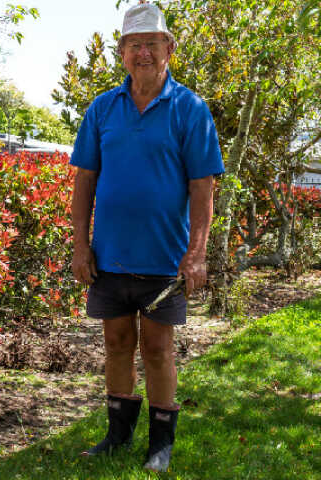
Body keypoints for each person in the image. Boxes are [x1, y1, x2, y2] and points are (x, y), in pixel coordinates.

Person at [70, 1, 224, 472]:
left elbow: (203, 187)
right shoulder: (102, 109)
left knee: (157, 349)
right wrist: (80, 244)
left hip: (165, 259)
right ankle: (117, 435)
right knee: (116, 344)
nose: (143, 53)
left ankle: (160, 444)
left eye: (152, 44)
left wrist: (196, 255)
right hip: (109, 256)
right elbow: (84, 181)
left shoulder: (190, 109)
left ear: (169, 49)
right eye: (134, 45)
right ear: (121, 52)